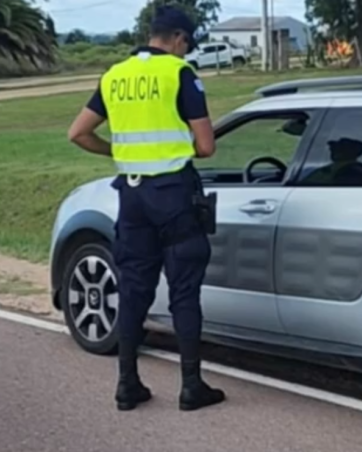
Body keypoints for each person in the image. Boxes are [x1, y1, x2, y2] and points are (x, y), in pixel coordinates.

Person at [66, 4, 224, 412]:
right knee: (184, 292)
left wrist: (120, 152)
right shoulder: (178, 73)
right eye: (186, 45)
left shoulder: (114, 76)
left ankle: (127, 384)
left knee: (134, 289)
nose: (185, 52)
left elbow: (78, 133)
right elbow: (206, 146)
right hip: (174, 196)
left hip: (131, 198)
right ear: (178, 39)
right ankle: (191, 387)